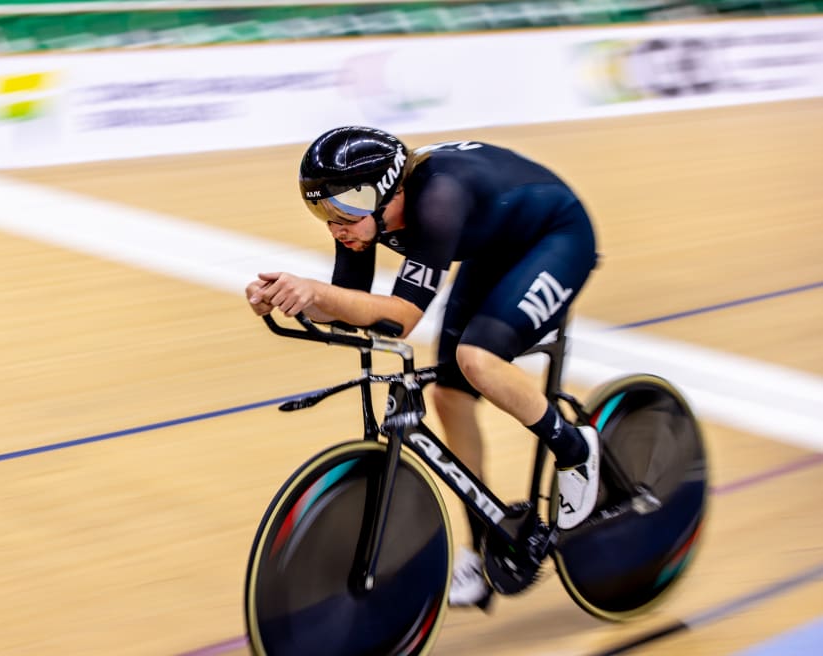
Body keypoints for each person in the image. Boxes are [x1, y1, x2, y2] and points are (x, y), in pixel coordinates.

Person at [245, 125, 600, 611]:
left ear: (388, 189)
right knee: (449, 396)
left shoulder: (437, 199)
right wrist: (291, 298)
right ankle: (485, 547)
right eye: (321, 210)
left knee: (477, 360)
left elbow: (401, 318)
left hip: (557, 236)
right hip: (494, 246)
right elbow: (354, 305)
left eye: (342, 209)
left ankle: (576, 448)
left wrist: (321, 293)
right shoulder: (361, 217)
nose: (335, 224)